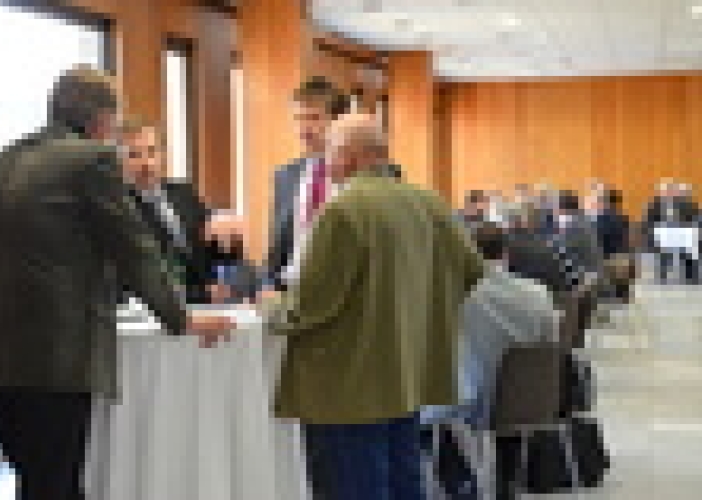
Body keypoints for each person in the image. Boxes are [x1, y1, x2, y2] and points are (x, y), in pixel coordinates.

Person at [0, 66, 229, 500]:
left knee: (38, 481)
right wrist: (181, 319)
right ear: (102, 120)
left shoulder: (8, 158)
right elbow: (134, 250)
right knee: (55, 484)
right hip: (57, 360)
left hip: (9, 358)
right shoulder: (91, 160)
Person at [241, 113, 485, 500]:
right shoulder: (430, 204)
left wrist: (270, 307)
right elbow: (472, 270)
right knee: (405, 480)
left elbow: (312, 304)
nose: (325, 163)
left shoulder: (343, 211)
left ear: (349, 156)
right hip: (409, 372)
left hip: (348, 384)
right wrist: (419, 305)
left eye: (330, 152)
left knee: (354, 484)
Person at [118, 116, 230, 303]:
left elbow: (213, 249)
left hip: (210, 303)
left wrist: (229, 238)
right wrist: (201, 294)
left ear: (162, 154)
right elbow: (138, 278)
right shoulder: (120, 206)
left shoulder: (184, 193)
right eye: (134, 155)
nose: (146, 163)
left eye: (152, 152)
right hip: (159, 308)